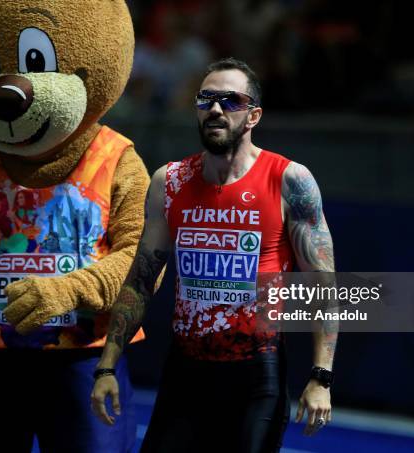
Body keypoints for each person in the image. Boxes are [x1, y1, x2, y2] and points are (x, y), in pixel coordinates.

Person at [91, 58, 338, 452]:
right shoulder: (169, 181)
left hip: (257, 373)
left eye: (231, 100)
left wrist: (321, 376)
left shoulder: (289, 179)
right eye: (207, 99)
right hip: (185, 373)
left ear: (254, 115)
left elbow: (322, 282)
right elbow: (140, 279)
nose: (216, 109)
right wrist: (106, 365)